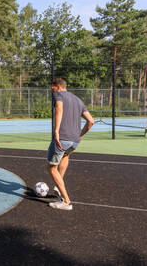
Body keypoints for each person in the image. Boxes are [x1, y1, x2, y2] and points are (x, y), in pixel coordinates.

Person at [47, 78, 94, 210]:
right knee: (65, 157)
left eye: (53, 88)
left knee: (51, 168)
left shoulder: (59, 95)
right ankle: (58, 185)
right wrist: (80, 135)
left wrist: (56, 131)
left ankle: (66, 201)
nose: (52, 91)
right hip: (75, 140)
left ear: (58, 87)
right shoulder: (78, 100)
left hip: (63, 137)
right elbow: (91, 121)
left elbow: (59, 109)